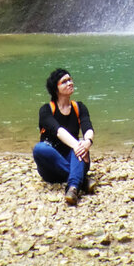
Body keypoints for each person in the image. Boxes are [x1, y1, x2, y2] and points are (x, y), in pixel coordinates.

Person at [32, 67, 95, 205]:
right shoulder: (46, 110)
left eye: (70, 79)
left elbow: (88, 127)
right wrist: (78, 145)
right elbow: (58, 130)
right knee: (40, 149)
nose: (70, 83)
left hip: (75, 157)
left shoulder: (79, 107)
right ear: (56, 88)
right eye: (64, 81)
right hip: (51, 166)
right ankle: (81, 180)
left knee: (78, 148)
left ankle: (73, 188)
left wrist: (87, 142)